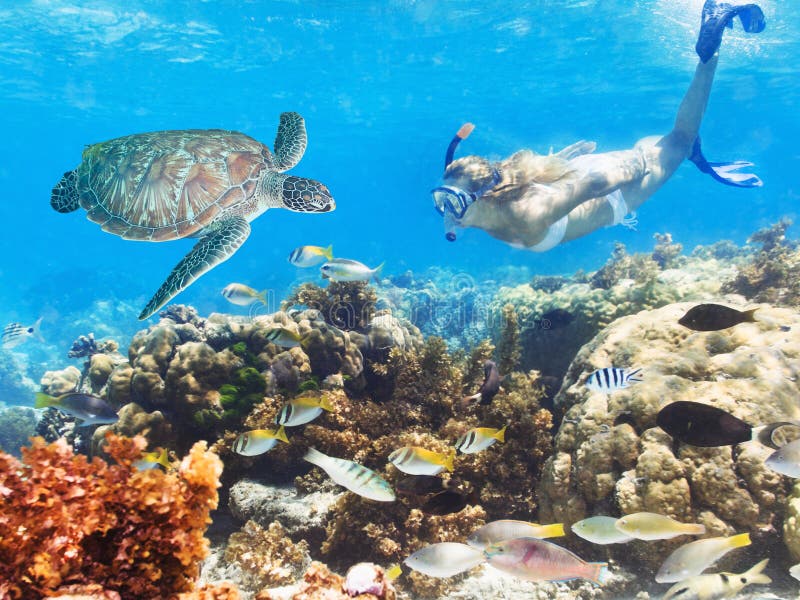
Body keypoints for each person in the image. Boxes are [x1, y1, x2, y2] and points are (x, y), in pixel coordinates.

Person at [431, 0, 766, 250]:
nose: (448, 211)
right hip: (581, 173)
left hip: (611, 193)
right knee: (661, 143)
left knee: (677, 139)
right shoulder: (499, 187)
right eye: (442, 201)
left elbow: (591, 187)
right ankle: (686, 150)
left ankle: (710, 52)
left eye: (454, 201)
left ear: (483, 196)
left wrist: (636, 167)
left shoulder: (526, 215)